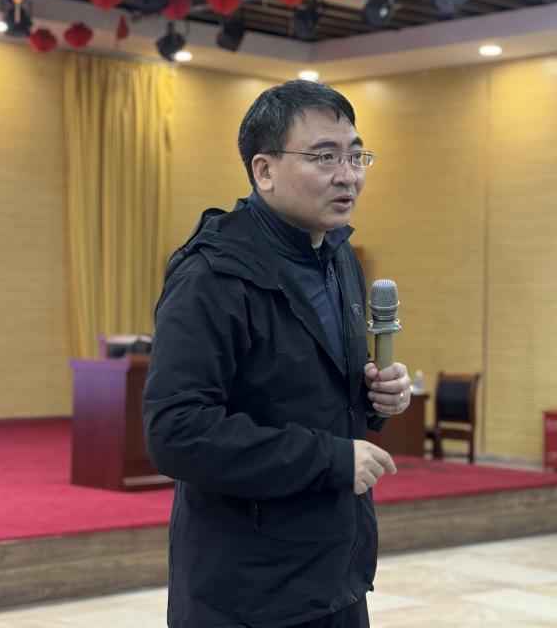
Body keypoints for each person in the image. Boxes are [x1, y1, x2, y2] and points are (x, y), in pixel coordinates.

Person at [144, 79, 412, 628]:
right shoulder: (212, 275)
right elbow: (176, 433)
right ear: (263, 170)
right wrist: (332, 459)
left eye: (356, 155)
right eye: (325, 157)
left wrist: (376, 397)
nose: (349, 175)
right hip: (247, 590)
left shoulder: (337, 255)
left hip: (337, 571)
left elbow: (303, 388)